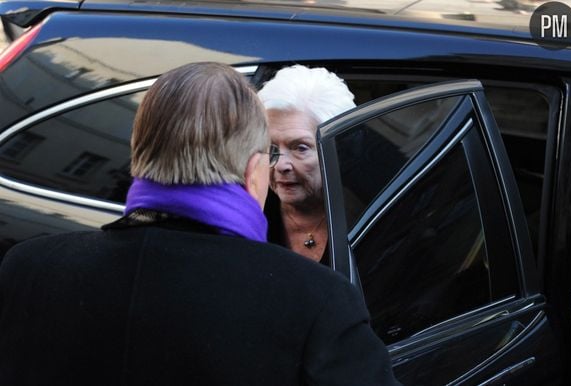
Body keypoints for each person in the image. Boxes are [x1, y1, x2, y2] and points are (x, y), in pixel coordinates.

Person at [0, 62, 399, 386]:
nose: (283, 167)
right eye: (272, 154)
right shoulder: (314, 299)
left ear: (139, 154)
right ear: (253, 171)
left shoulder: (28, 268)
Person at [258, 65, 356, 263]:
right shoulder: (248, 212)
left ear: (338, 149)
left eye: (300, 148)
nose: (280, 165)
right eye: (270, 147)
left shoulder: (367, 217)